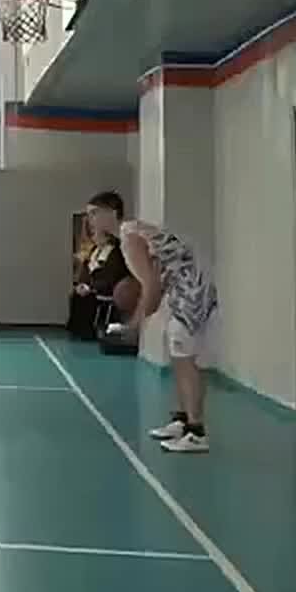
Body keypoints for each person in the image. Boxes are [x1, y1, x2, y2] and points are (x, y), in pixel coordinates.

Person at [87, 191, 217, 453]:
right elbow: (155, 288)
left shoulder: (129, 238)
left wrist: (134, 324)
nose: (90, 219)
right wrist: (139, 318)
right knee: (177, 354)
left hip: (192, 290)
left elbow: (150, 287)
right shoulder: (133, 231)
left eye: (94, 213)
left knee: (184, 357)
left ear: (111, 212)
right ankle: (182, 420)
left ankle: (196, 432)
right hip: (185, 288)